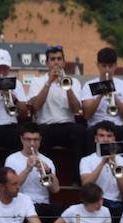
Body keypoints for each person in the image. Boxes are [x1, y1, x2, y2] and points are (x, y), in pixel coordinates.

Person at [30, 45, 83, 174]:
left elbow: (76, 109)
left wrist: (68, 88)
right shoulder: (37, 81)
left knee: (80, 132)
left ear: (64, 62)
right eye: (52, 59)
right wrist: (49, 82)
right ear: (47, 63)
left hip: (67, 125)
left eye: (59, 59)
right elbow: (35, 107)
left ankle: (77, 178)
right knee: (41, 135)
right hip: (45, 125)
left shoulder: (73, 82)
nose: (56, 62)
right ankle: (45, 175)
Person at [79, 47, 123, 157]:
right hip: (96, 125)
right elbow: (87, 115)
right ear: (98, 65)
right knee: (89, 133)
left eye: (110, 66)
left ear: (115, 66)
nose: (107, 70)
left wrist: (114, 97)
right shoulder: (89, 85)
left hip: (117, 125)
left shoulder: (122, 85)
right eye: (104, 66)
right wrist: (100, 95)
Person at [5, 123, 60, 221]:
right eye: (28, 139)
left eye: (35, 140)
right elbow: (10, 187)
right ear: (22, 139)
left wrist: (48, 172)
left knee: (57, 209)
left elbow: (55, 189)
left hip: (43, 205)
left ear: (40, 140)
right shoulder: (11, 159)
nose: (32, 144)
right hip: (20, 205)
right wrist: (27, 169)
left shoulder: (47, 161)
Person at [79, 121, 123, 222]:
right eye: (101, 135)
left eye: (109, 136)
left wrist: (114, 166)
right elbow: (85, 184)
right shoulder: (86, 160)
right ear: (96, 139)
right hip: (93, 203)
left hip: (115, 204)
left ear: (114, 139)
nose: (106, 139)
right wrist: (102, 162)